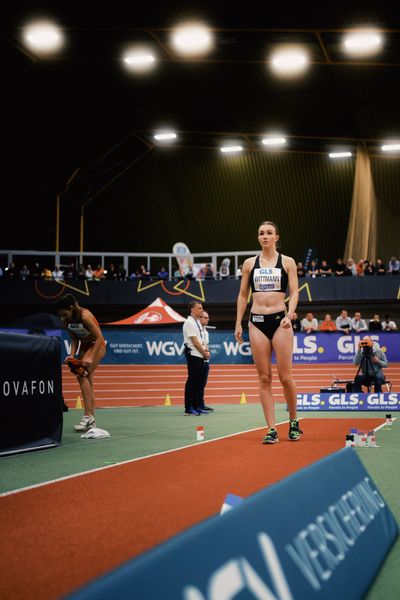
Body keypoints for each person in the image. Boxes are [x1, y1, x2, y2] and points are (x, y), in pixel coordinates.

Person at [235, 220, 301, 444]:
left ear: (276, 237)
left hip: (280, 320)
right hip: (256, 322)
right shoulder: (248, 264)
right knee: (264, 378)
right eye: (261, 233)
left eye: (269, 233)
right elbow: (243, 295)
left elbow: (294, 291)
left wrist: (290, 313)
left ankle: (293, 422)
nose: (265, 236)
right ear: (258, 238)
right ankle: (271, 429)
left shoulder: (288, 262)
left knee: (285, 377)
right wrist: (238, 323)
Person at [56, 293, 106, 431]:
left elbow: (100, 338)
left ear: (72, 308)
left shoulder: (85, 316)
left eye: (64, 314)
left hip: (97, 345)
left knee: (81, 374)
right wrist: (71, 355)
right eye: (60, 315)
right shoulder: (67, 321)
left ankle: (87, 416)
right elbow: (74, 339)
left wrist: (90, 357)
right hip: (84, 346)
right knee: (87, 380)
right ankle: (91, 421)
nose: (62, 318)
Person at [182, 301, 210, 416]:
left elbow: (202, 341)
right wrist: (204, 352)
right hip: (194, 354)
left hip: (199, 355)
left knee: (198, 382)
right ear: (192, 310)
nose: (201, 310)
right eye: (199, 308)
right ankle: (189, 408)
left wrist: (205, 352)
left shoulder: (196, 323)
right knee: (192, 382)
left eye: (202, 308)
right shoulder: (189, 322)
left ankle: (196, 406)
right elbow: (195, 342)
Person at [198, 311, 214, 411]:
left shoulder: (206, 332)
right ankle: (195, 404)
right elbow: (197, 343)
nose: (207, 319)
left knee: (203, 383)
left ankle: (201, 404)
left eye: (208, 317)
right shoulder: (197, 330)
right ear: (199, 318)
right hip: (198, 357)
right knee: (197, 383)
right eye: (205, 317)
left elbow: (205, 344)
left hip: (205, 359)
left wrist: (207, 352)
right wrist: (204, 353)